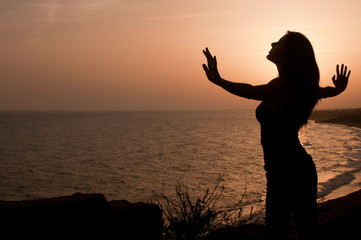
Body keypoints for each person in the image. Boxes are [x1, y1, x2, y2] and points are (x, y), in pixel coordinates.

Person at [202, 31, 351, 239]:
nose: (272, 43)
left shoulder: (283, 85)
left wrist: (219, 80)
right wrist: (339, 89)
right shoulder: (302, 86)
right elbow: (324, 91)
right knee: (306, 230)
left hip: (284, 172)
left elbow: (253, 91)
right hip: (299, 168)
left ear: (287, 55)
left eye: (279, 43)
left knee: (277, 232)